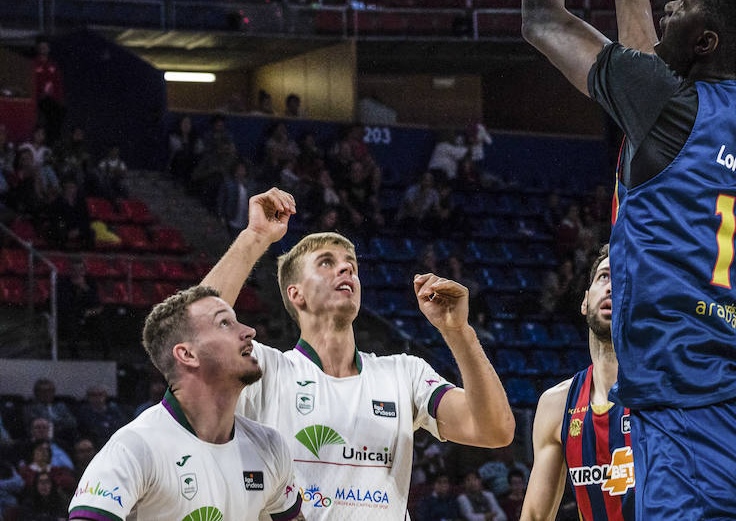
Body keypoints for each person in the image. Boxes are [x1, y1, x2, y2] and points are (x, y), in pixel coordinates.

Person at [521, 0, 736, 518]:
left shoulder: (664, 105)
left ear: (706, 40)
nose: (670, 5)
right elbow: (650, 80)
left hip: (697, 425)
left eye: (685, 2)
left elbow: (542, 18)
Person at [201, 187, 514, 517]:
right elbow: (197, 336)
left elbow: (495, 430)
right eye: (326, 263)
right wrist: (254, 237)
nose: (346, 269)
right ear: (296, 294)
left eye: (350, 264)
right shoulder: (266, 368)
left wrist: (459, 333)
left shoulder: (405, 373)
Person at [66, 286, 305, 520]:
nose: (249, 331)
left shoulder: (270, 446)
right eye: (224, 323)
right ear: (187, 355)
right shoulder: (134, 446)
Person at [523, 245, 635, 520]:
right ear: (585, 301)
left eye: (623, 280)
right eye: (604, 276)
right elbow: (535, 516)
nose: (611, 287)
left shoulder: (667, 392)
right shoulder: (556, 404)